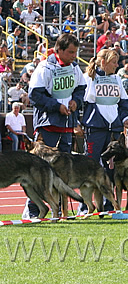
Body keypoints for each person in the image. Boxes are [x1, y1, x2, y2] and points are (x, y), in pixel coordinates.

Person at [25, 34, 86, 218]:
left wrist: (76, 101)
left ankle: (61, 211)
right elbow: (35, 95)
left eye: (75, 52)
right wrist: (56, 107)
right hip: (48, 127)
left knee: (64, 174)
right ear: (58, 50)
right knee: (38, 172)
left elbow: (81, 89)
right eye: (70, 52)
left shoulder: (75, 67)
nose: (74, 56)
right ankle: (32, 211)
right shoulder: (44, 67)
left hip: (67, 127)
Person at [80, 48, 128, 213]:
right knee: (90, 167)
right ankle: (85, 206)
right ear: (103, 62)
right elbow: (81, 102)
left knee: (112, 169)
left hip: (114, 129)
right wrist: (78, 123)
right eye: (114, 62)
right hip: (95, 128)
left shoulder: (117, 79)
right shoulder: (88, 78)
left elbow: (124, 103)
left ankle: (109, 205)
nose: (117, 65)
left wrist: (126, 118)